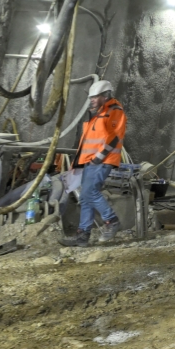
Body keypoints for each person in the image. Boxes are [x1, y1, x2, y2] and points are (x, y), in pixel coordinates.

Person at [61, 79, 125, 247]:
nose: (92, 100)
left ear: (106, 96)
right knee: (86, 197)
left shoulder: (114, 111)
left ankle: (111, 220)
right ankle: (83, 235)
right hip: (90, 161)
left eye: (95, 97)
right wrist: (77, 163)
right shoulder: (98, 114)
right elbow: (88, 141)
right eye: (91, 98)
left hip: (101, 161)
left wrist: (99, 157)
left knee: (90, 193)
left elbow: (114, 137)